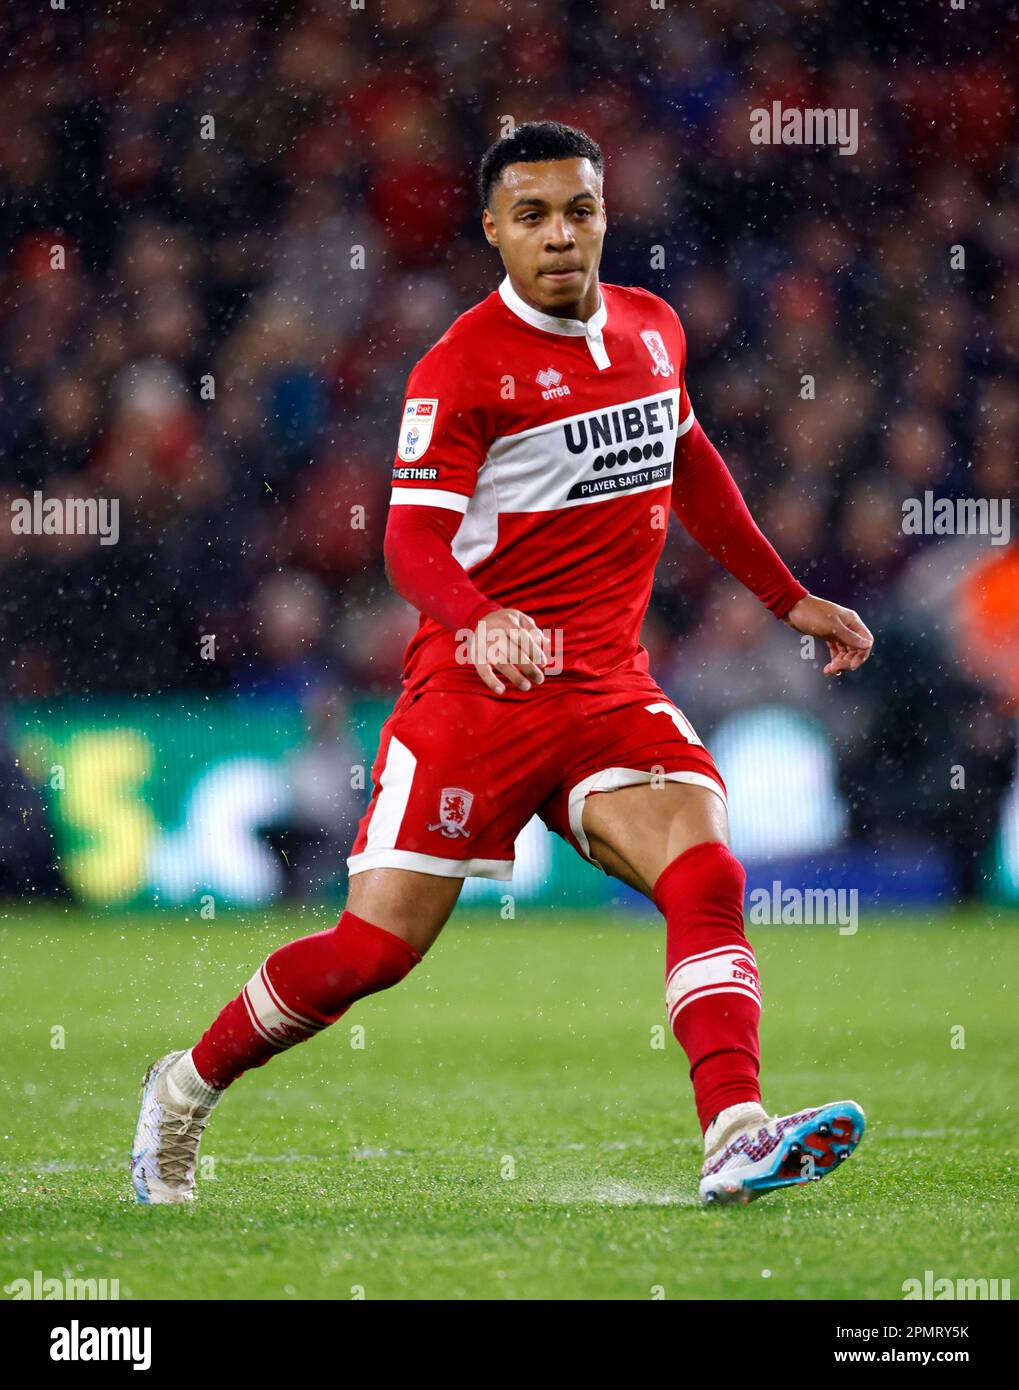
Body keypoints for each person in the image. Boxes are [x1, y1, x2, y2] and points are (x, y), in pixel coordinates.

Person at [131, 121, 873, 1207]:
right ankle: (183, 1088)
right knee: (369, 953)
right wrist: (478, 618)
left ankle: (733, 1129)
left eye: (579, 209)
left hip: (607, 685)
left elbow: (692, 466)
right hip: (474, 696)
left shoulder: (653, 332)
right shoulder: (460, 368)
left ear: (605, 215)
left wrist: (789, 598)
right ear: (492, 231)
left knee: (704, 868)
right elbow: (408, 541)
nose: (560, 235)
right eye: (531, 215)